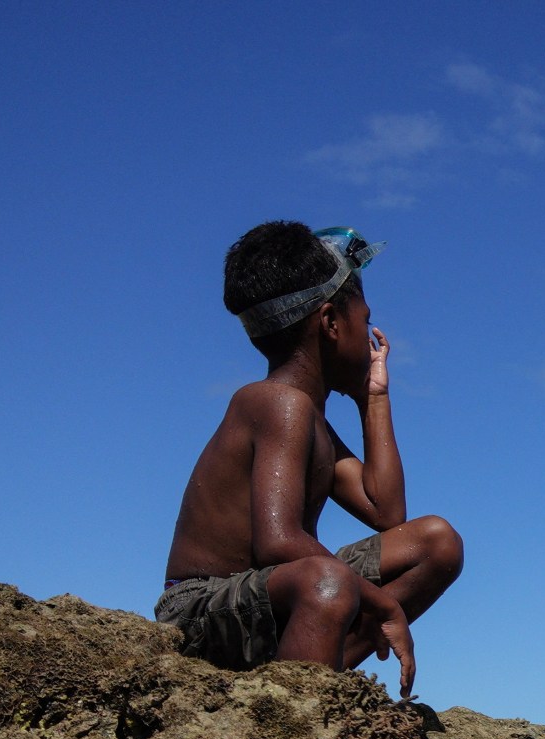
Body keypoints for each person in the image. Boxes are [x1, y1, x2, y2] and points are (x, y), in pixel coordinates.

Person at [156, 222, 463, 699]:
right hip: (200, 609)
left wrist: (373, 400)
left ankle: (309, 672)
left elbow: (386, 513)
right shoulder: (277, 404)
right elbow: (279, 542)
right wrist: (383, 604)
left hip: (272, 600)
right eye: (364, 320)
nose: (369, 334)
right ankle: (298, 708)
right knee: (328, 582)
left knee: (436, 542)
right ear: (330, 323)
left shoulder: (308, 417)